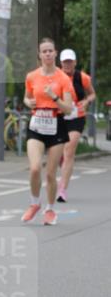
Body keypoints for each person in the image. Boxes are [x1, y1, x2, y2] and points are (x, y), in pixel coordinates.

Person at [21, 38, 73, 225]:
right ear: (39, 54)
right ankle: (35, 203)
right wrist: (29, 102)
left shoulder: (63, 79)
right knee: (35, 168)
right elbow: (26, 98)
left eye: (51, 50)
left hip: (56, 124)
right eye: (44, 51)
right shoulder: (32, 76)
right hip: (37, 123)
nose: (48, 54)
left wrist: (54, 97)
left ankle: (50, 209)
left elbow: (68, 108)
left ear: (56, 53)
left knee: (50, 173)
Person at [57, 48, 95, 202]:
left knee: (69, 149)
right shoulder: (55, 76)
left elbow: (92, 93)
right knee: (60, 151)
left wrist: (86, 101)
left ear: (75, 62)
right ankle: (62, 159)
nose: (67, 64)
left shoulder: (83, 77)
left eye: (70, 61)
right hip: (59, 116)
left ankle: (62, 189)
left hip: (76, 116)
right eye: (65, 62)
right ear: (60, 63)